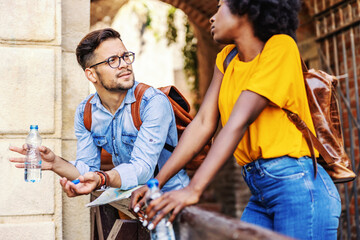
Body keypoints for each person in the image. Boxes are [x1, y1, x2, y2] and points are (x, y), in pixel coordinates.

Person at [130, 0, 341, 239]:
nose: (212, 16)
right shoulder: (227, 58)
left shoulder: (281, 47)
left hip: (298, 186)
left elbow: (238, 121)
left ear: (247, 9)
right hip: (259, 188)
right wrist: (156, 183)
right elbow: (202, 124)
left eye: (220, 7)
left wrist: (194, 189)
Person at [9, 28, 189, 196]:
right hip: (131, 201)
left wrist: (102, 178)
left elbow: (142, 169)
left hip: (172, 200)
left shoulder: (152, 102)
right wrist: (55, 163)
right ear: (91, 75)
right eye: (112, 60)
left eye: (125, 56)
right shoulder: (85, 112)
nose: (124, 64)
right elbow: (88, 168)